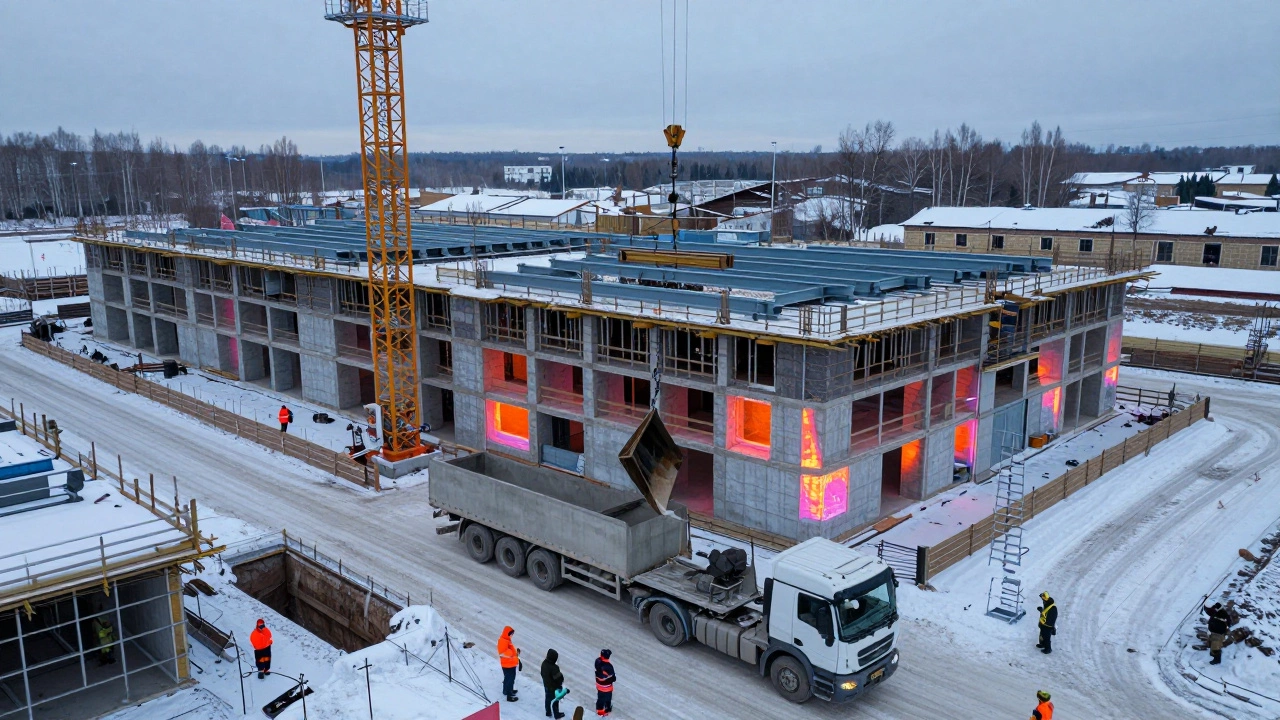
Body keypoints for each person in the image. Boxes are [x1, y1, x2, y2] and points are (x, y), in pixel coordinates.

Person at [541, 648, 566, 719]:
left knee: (548, 699)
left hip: (546, 685)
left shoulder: (544, 663)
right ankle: (556, 714)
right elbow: (559, 678)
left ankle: (548, 712)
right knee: (555, 700)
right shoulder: (554, 668)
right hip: (553, 687)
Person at [497, 626, 520, 702]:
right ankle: (509, 696)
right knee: (510, 679)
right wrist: (512, 652)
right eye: (511, 634)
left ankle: (507, 691)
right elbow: (502, 653)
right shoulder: (503, 641)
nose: (512, 635)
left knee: (508, 679)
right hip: (508, 664)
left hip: (510, 664)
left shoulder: (507, 640)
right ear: (507, 633)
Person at [594, 649, 615, 717]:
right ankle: (606, 710)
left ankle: (600, 711)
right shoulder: (608, 666)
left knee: (600, 698)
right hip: (607, 687)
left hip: (599, 686)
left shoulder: (597, 661)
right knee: (607, 698)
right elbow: (613, 678)